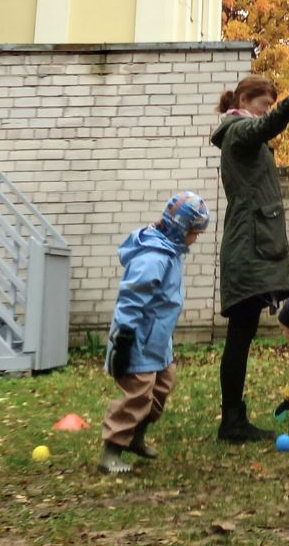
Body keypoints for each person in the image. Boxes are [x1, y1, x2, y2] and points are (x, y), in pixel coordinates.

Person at [211, 73, 289, 443]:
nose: (265, 111)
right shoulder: (238, 131)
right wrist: (288, 106)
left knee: (243, 333)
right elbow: (265, 128)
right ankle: (232, 422)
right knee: (239, 335)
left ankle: (234, 419)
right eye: (263, 104)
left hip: (251, 246)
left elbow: (265, 129)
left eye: (270, 104)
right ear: (246, 101)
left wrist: (281, 109)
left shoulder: (243, 134)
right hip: (246, 249)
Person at [99, 191, 211, 474]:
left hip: (158, 342)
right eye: (194, 232)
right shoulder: (153, 257)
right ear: (180, 228)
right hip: (135, 340)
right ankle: (111, 451)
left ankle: (136, 437)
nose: (195, 238)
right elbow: (131, 299)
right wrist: (123, 338)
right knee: (138, 395)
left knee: (163, 386)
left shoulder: (171, 252)